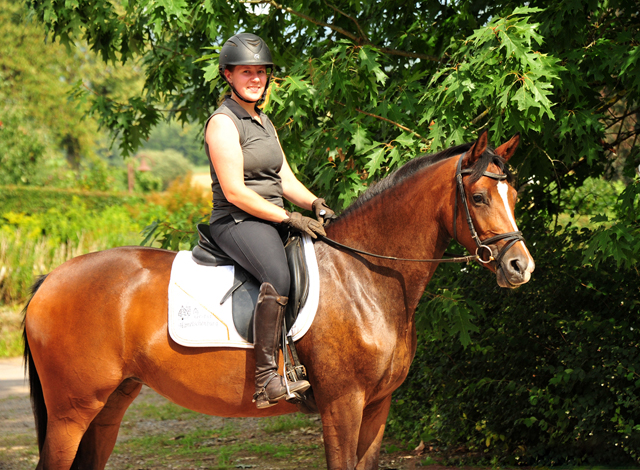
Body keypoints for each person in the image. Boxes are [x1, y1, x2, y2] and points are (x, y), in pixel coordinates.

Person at [204, 33, 336, 409]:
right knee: (278, 276)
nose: (256, 78)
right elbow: (235, 192)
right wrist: (289, 217)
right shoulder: (223, 123)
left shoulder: (264, 120)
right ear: (228, 75)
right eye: (247, 71)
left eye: (261, 72)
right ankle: (265, 380)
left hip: (274, 217)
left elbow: (285, 179)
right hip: (237, 221)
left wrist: (315, 204)